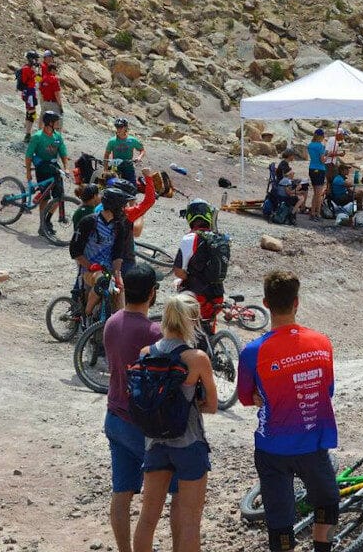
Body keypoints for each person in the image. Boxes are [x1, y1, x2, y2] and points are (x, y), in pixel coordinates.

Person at [237, 270, 339, 552]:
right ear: (297, 302)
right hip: (312, 445)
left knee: (279, 520)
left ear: (265, 303)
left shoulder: (252, 352)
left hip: (272, 449)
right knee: (327, 504)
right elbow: (327, 390)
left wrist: (265, 395)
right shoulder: (322, 343)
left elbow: (246, 397)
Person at [132, 293, 217, 552]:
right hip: (189, 442)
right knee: (191, 522)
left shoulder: (146, 353)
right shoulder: (197, 358)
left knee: (148, 517)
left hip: (155, 442)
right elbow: (212, 406)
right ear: (192, 319)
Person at [103, 263, 163, 552]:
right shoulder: (154, 333)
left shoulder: (112, 323)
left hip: (114, 415)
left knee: (122, 492)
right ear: (152, 293)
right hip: (139, 423)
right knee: (160, 491)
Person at [71, 185, 135, 320]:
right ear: (115, 207)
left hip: (108, 271)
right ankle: (86, 313)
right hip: (89, 270)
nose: (124, 210)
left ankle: (119, 325)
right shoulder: (89, 222)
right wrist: (89, 265)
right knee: (103, 280)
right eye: (122, 206)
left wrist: (118, 276)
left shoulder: (119, 226)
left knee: (120, 291)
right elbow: (75, 250)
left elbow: (118, 254)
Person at [172, 199, 228, 331]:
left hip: (197, 298)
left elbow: (179, 271)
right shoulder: (219, 238)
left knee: (181, 328)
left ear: (190, 217)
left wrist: (185, 278)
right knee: (207, 329)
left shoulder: (190, 238)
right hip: (218, 296)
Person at [27, 111, 72, 230]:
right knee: (45, 198)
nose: (59, 123)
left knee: (59, 197)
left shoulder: (58, 137)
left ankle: (47, 220)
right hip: (41, 167)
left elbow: (63, 153)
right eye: (56, 121)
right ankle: (42, 225)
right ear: (50, 123)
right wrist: (28, 173)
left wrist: (66, 167)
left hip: (54, 167)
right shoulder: (37, 137)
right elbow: (29, 155)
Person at [105, 119, 146, 184]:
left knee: (133, 188)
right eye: (117, 127)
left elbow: (142, 150)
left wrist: (139, 157)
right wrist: (105, 169)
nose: (118, 129)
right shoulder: (112, 141)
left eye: (120, 127)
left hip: (128, 167)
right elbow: (106, 155)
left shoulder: (132, 140)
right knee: (113, 186)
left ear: (125, 128)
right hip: (116, 166)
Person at [303, 128, 328, 216]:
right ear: (321, 136)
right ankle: (316, 213)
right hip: (320, 169)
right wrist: (326, 156)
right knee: (319, 193)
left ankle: (313, 212)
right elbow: (322, 160)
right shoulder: (320, 146)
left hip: (312, 168)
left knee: (315, 193)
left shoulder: (310, 145)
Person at [16, 51, 41, 130]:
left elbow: (37, 80)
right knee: (32, 111)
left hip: (28, 91)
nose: (36, 61)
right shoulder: (27, 69)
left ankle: (27, 128)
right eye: (35, 59)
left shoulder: (27, 68)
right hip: (29, 92)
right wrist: (36, 71)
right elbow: (37, 79)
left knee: (29, 110)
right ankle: (28, 131)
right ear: (31, 59)